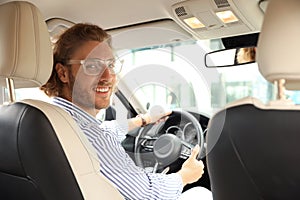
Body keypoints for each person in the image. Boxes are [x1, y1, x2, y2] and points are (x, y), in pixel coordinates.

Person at [41, 23, 212, 200]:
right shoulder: (89, 135)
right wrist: (184, 176)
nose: (108, 77)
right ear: (63, 73)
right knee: (202, 193)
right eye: (92, 66)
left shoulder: (55, 120)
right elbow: (146, 195)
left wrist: (142, 120)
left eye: (111, 65)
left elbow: (104, 132)